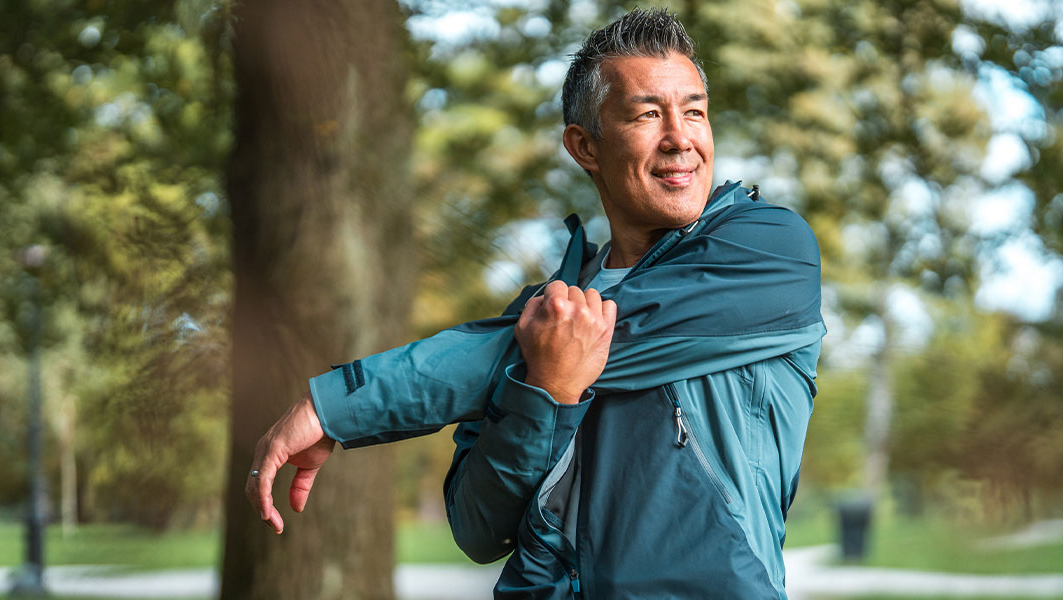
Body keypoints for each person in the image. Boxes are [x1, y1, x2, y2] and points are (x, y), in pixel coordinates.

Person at [245, 8, 824, 598]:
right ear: (585, 146)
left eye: (694, 111)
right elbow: (477, 529)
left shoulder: (768, 252)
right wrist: (544, 391)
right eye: (648, 114)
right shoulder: (537, 310)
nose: (681, 138)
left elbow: (573, 337)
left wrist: (337, 405)